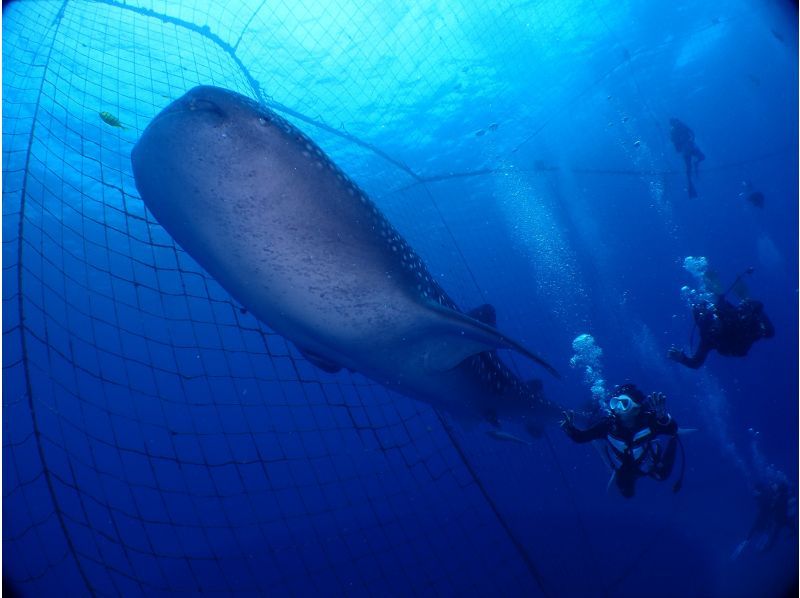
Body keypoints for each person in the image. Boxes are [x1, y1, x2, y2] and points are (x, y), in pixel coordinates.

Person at [561, 384, 681, 498]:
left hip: (647, 461)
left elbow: (672, 430)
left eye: (624, 403)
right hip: (624, 468)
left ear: (637, 408)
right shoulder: (607, 425)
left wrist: (663, 418)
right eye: (615, 403)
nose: (617, 407)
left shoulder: (649, 422)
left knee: (662, 475)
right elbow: (581, 437)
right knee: (627, 493)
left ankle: (673, 443)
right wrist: (570, 429)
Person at [668, 294, 774, 369]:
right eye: (708, 325)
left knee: (763, 329)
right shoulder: (707, 338)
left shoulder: (726, 312)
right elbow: (695, 363)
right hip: (734, 347)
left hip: (743, 335)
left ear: (715, 315)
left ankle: (756, 320)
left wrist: (751, 306)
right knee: (760, 329)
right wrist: (682, 358)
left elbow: (758, 307)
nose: (713, 328)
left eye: (712, 321)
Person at [731, 478, 797, 559]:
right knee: (770, 530)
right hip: (777, 518)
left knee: (767, 530)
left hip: (775, 518)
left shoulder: (770, 496)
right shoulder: (776, 495)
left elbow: (767, 511)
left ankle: (759, 546)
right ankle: (761, 544)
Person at [669, 118, 705, 198]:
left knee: (691, 165)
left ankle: (690, 184)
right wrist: (691, 140)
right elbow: (691, 133)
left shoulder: (676, 128)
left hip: (688, 148)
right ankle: (690, 184)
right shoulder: (677, 128)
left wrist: (690, 141)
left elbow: (676, 145)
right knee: (691, 165)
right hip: (688, 148)